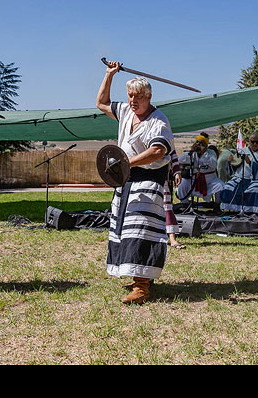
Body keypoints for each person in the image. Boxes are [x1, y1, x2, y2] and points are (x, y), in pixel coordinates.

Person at [96, 61, 175, 305]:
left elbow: (158, 150)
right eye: (130, 95)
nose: (132, 100)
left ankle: (142, 286)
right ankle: (139, 277)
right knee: (124, 230)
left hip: (148, 182)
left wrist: (128, 161)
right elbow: (101, 103)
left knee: (140, 230)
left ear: (149, 96)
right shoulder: (127, 112)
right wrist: (109, 74)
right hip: (126, 182)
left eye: (138, 96)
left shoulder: (158, 121)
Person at [220, 133, 258, 213]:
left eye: (257, 142)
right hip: (239, 177)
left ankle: (252, 211)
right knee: (227, 187)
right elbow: (235, 165)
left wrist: (251, 163)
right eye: (253, 142)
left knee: (256, 189)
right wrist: (230, 162)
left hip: (255, 179)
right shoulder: (243, 151)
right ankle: (232, 210)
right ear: (249, 142)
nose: (255, 144)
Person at [177, 133, 224, 205]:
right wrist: (191, 151)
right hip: (193, 180)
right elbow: (180, 159)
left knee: (220, 185)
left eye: (201, 143)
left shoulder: (211, 153)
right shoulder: (193, 153)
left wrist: (203, 153)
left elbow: (214, 165)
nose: (198, 145)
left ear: (206, 145)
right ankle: (184, 205)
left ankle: (217, 205)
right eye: (197, 142)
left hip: (209, 181)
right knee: (182, 185)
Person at [165, 150, 186, 249]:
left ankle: (172, 239)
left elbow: (172, 153)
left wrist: (177, 172)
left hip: (162, 177)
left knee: (167, 206)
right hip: (144, 178)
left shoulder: (165, 135)